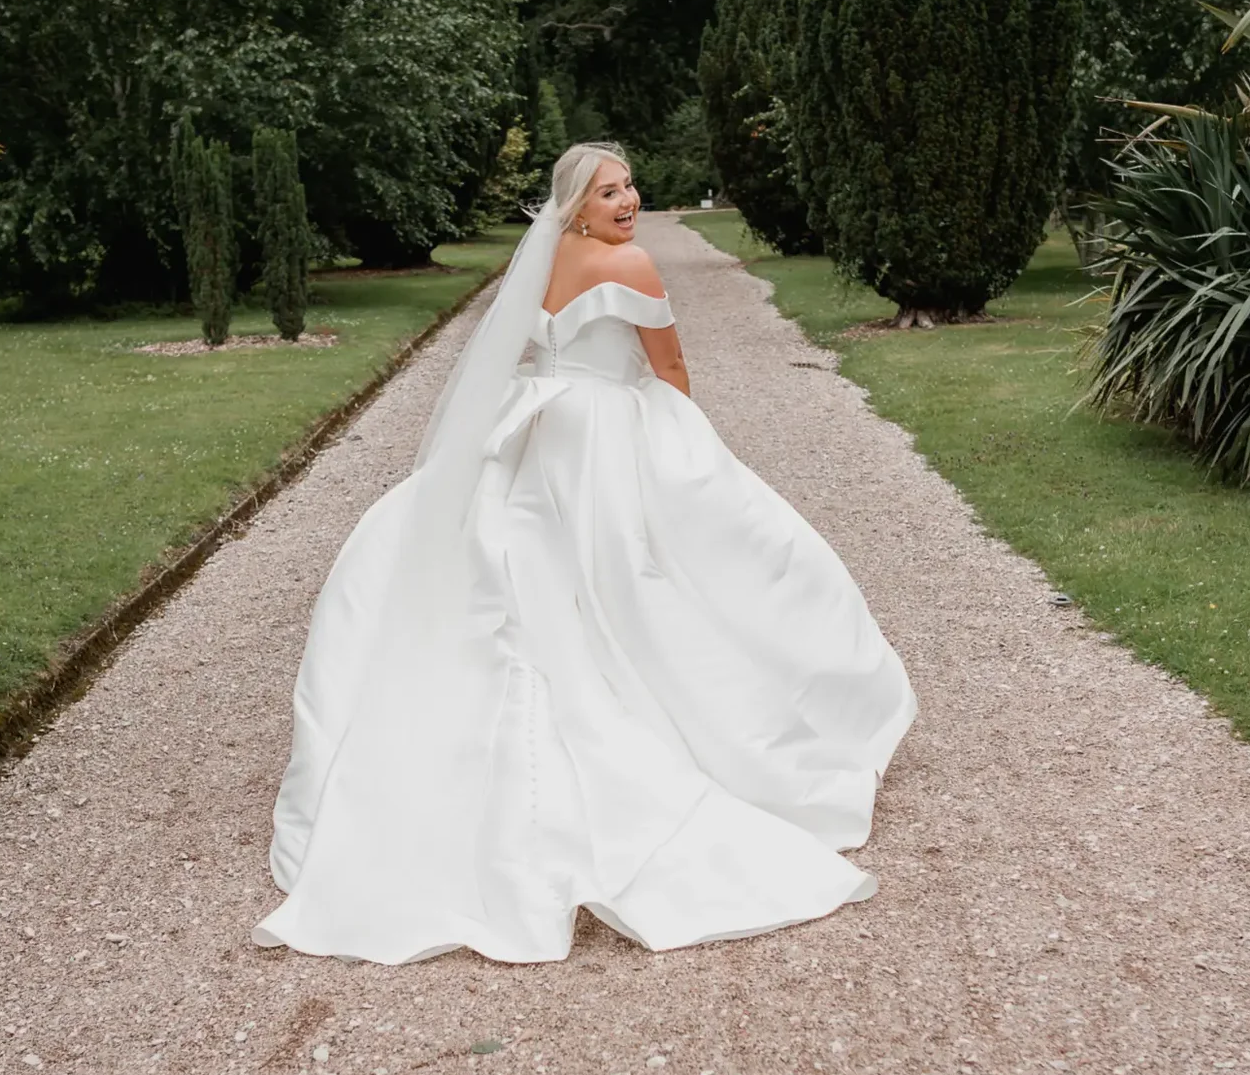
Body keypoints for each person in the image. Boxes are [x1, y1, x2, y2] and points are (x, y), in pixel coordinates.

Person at [253, 143, 915, 964]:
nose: (629, 200)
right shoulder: (630, 265)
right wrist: (685, 463)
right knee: (696, 563)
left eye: (630, 185)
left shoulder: (547, 259)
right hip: (606, 429)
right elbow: (669, 370)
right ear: (578, 205)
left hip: (542, 421)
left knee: (527, 555)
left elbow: (523, 352)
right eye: (610, 190)